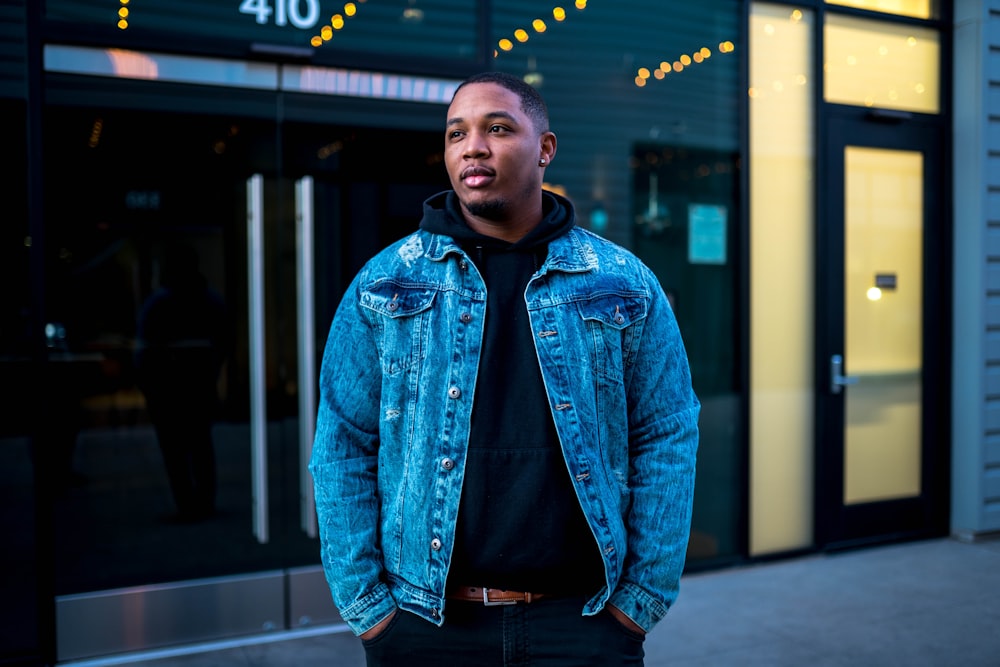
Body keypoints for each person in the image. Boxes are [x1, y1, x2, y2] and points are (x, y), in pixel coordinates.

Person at [310, 71, 700, 666]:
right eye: (455, 133)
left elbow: (667, 432)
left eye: (497, 128)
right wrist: (370, 612)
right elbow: (342, 444)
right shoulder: (386, 284)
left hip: (584, 620)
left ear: (544, 149)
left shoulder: (621, 282)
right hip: (425, 624)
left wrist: (639, 601)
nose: (473, 146)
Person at [136, 241, 230, 522]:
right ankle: (200, 503)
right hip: (191, 388)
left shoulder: (161, 303)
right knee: (199, 446)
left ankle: (190, 504)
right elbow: (221, 344)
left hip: (172, 391)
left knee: (180, 451)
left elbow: (145, 351)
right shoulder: (206, 301)